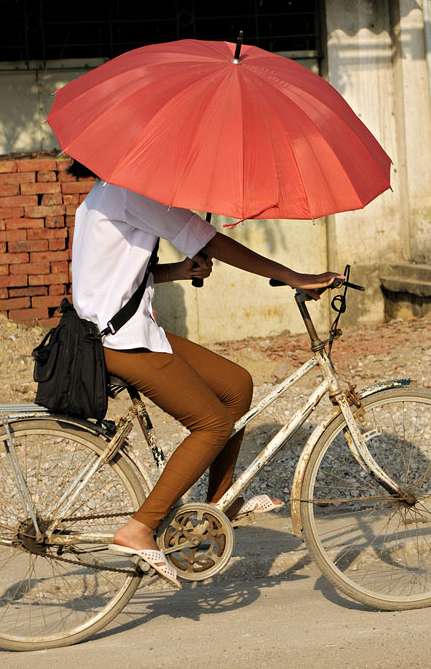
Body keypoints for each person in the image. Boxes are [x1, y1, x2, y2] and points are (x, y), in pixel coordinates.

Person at [67, 161, 342, 588]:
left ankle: (223, 501)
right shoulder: (132, 192)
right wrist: (293, 276)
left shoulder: (102, 194)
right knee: (212, 424)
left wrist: (178, 271)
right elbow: (211, 240)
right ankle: (140, 528)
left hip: (122, 331)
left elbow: (118, 276)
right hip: (122, 341)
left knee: (236, 385)